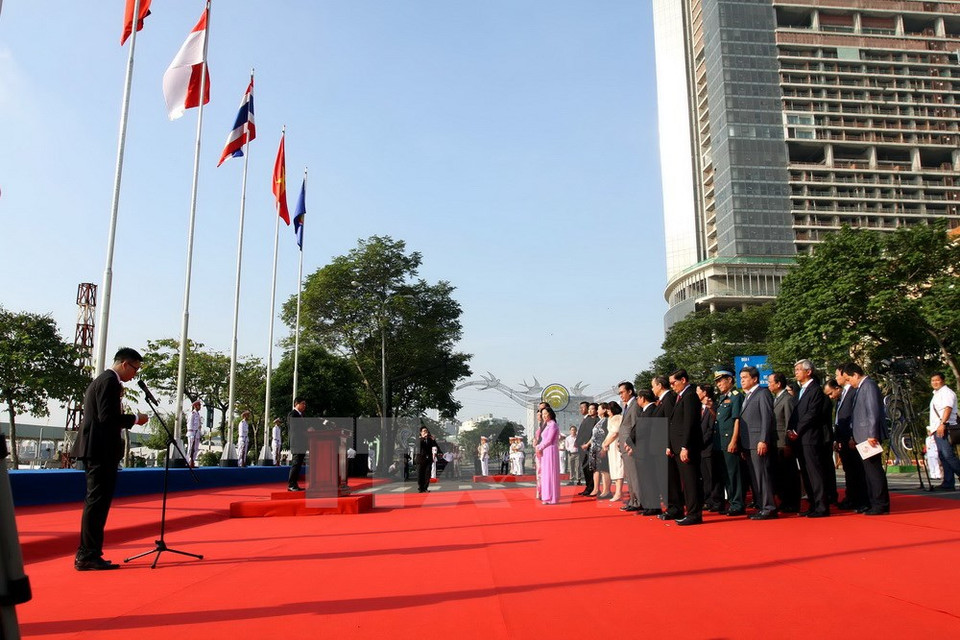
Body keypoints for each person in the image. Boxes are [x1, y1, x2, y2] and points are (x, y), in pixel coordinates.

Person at [72, 347, 149, 571]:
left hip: (99, 450)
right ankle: (88, 554)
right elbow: (107, 418)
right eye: (135, 368)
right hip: (99, 451)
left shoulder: (105, 380)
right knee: (97, 503)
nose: (134, 374)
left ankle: (89, 552)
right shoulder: (109, 381)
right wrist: (135, 418)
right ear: (125, 364)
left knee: (97, 503)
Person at [842, 362, 890, 514]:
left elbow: (872, 411)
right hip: (862, 435)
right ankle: (873, 502)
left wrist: (872, 434)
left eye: (849, 379)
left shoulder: (868, 385)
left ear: (856, 375)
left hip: (868, 436)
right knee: (868, 471)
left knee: (874, 471)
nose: (849, 382)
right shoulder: (861, 387)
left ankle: (880, 504)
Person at [788, 359, 829, 517]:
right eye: (795, 370)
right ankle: (812, 504)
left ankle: (821, 506)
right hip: (800, 438)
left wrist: (797, 430)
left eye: (799, 369)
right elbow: (796, 414)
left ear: (809, 371)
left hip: (810, 437)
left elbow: (812, 413)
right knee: (805, 472)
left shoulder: (815, 390)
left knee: (815, 472)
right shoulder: (800, 391)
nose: (796, 372)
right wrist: (791, 430)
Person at [663, 369, 703, 525]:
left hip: (687, 447)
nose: (672, 386)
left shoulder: (690, 396)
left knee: (691, 481)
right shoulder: (681, 396)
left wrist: (685, 446)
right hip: (678, 447)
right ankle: (690, 512)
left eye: (674, 382)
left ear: (683, 380)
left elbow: (689, 423)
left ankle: (694, 514)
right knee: (686, 481)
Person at [738, 367, 778, 520]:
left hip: (758, 442)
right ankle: (762, 506)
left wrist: (763, 439)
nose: (742, 380)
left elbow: (767, 418)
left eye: (745, 377)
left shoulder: (763, 393)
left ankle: (769, 507)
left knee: (762, 475)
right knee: (755, 476)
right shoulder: (747, 396)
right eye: (741, 377)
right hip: (748, 443)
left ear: (754, 379)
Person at [826, 374, 866, 511]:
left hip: (851, 438)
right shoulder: (840, 399)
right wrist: (837, 439)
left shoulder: (853, 392)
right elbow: (838, 420)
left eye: (831, 393)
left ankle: (861, 500)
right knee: (849, 471)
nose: (830, 397)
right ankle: (851, 498)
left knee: (857, 471)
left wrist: (852, 437)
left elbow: (853, 417)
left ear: (837, 388)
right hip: (842, 439)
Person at [768, 372, 800, 512]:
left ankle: (792, 503)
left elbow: (789, 423)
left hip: (784, 443)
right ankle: (785, 501)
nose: (768, 385)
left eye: (770, 382)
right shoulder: (776, 399)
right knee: (780, 475)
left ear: (778, 383)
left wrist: (788, 444)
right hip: (776, 443)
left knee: (789, 474)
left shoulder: (787, 399)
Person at [714, 371, 744, 516]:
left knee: (733, 474)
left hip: (729, 441)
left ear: (730, 380)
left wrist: (734, 440)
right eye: (717, 382)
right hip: (720, 442)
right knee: (726, 474)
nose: (718, 384)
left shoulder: (736, 396)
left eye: (721, 380)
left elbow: (737, 420)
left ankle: (738, 504)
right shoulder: (722, 398)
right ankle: (732, 502)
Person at [929, 372, 960, 491]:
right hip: (937, 428)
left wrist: (942, 424)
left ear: (943, 380)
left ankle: (949, 482)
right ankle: (948, 482)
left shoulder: (947, 393)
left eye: (937, 380)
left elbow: (948, 408)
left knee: (948, 455)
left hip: (945, 427)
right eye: (932, 380)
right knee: (943, 456)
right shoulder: (936, 394)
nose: (934, 382)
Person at [616, 382, 643, 512]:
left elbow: (636, 426)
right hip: (624, 446)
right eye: (619, 393)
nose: (620, 395)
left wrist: (632, 444)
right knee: (630, 476)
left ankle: (639, 501)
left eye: (622, 392)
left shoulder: (635, 405)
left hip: (631, 447)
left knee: (635, 476)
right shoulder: (627, 407)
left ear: (630, 391)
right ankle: (633, 500)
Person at [697, 383, 723, 512]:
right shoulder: (699, 408)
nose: (696, 393)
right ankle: (708, 500)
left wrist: (701, 442)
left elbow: (711, 428)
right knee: (705, 477)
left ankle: (717, 501)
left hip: (710, 447)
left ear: (704, 392)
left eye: (698, 391)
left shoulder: (713, 406)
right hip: (701, 449)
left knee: (714, 476)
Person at [536, 406, 561, 504]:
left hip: (551, 450)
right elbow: (544, 439)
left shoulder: (553, 425)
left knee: (550, 474)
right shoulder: (547, 425)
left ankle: (551, 497)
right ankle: (547, 496)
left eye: (546, 414)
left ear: (550, 414)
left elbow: (549, 440)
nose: (544, 416)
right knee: (545, 474)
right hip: (545, 451)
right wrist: (539, 447)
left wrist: (540, 447)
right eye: (542, 414)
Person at [602, 401, 624, 502]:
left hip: (616, 444)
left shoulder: (617, 417)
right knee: (614, 468)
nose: (607, 411)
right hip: (611, 444)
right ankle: (617, 492)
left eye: (609, 409)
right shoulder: (610, 418)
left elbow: (615, 433)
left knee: (618, 467)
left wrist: (606, 443)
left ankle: (618, 492)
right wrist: (605, 443)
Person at [574, 401, 598, 496]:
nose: (581, 409)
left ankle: (591, 488)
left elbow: (590, 434)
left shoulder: (593, 419)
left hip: (588, 447)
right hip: (582, 447)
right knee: (585, 468)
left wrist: (585, 444)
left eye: (583, 407)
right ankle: (588, 487)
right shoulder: (586, 419)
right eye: (580, 408)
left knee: (589, 469)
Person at [589, 403, 611, 498]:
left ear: (605, 410)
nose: (597, 410)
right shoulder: (600, 421)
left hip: (601, 448)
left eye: (599, 409)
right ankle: (596, 489)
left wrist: (604, 447)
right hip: (594, 448)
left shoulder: (606, 421)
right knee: (596, 469)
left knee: (604, 469)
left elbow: (607, 435)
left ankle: (606, 491)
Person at [287, 398, 307, 491]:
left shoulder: (302, 415)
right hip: (296, 443)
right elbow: (295, 429)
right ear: (296, 404)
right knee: (296, 463)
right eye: (302, 403)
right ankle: (291, 485)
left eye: (305, 404)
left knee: (299, 464)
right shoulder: (293, 414)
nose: (304, 406)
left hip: (302, 443)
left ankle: (295, 484)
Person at [416, 427, 441, 492]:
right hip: (421, 459)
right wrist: (423, 438)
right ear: (421, 432)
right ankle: (421, 488)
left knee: (427, 474)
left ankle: (425, 487)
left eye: (426, 431)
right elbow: (419, 446)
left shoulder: (430, 440)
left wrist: (433, 440)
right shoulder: (418, 439)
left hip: (428, 459)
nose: (425, 432)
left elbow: (436, 446)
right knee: (420, 474)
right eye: (424, 431)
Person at [186, 399, 202, 467]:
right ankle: (188, 462)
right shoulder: (192, 414)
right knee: (190, 448)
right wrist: (191, 432)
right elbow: (190, 423)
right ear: (195, 406)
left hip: (197, 433)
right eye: (199, 405)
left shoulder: (198, 414)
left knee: (195, 448)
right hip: (192, 433)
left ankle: (192, 461)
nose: (200, 407)